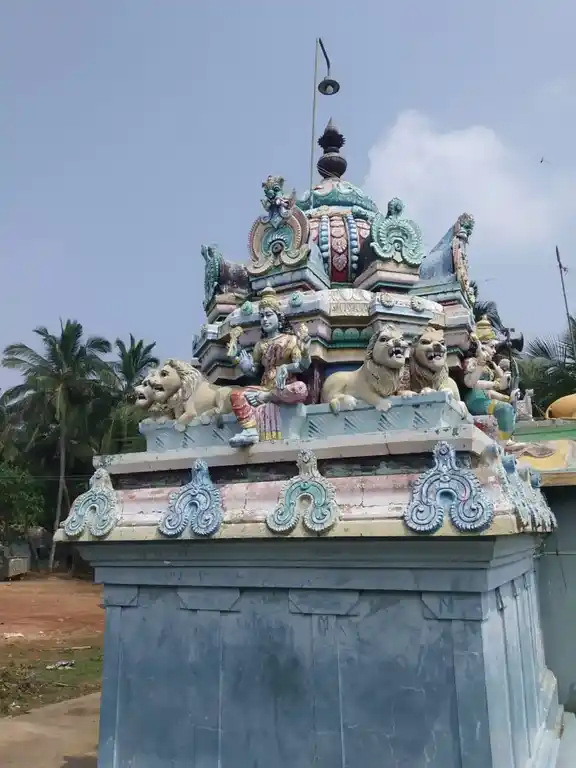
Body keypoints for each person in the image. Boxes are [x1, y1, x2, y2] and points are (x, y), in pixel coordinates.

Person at [228, 286, 311, 447]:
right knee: (236, 395)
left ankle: (267, 398)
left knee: (301, 388)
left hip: (284, 387)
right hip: (264, 387)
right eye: (261, 316)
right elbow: (256, 371)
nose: (264, 320)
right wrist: (243, 365)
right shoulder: (260, 345)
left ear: (279, 318)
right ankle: (250, 430)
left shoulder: (291, 339)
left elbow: (302, 366)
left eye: (268, 315)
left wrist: (301, 356)